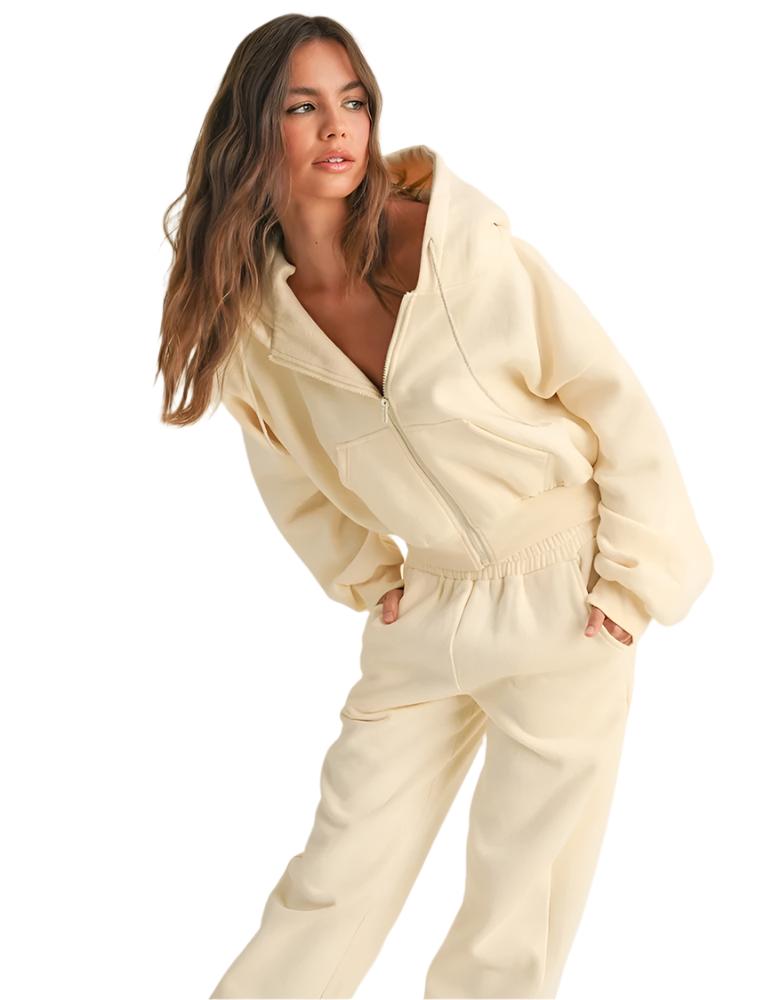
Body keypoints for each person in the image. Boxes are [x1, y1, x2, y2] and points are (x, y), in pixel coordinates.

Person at [157, 13, 714, 1000]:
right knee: (336, 874)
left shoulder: (461, 253)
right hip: (428, 604)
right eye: (302, 106)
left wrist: (631, 584)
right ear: (254, 129)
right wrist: (367, 577)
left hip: (561, 591)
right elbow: (289, 476)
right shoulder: (253, 324)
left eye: (353, 101)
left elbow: (611, 402)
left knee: (516, 898)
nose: (338, 126)